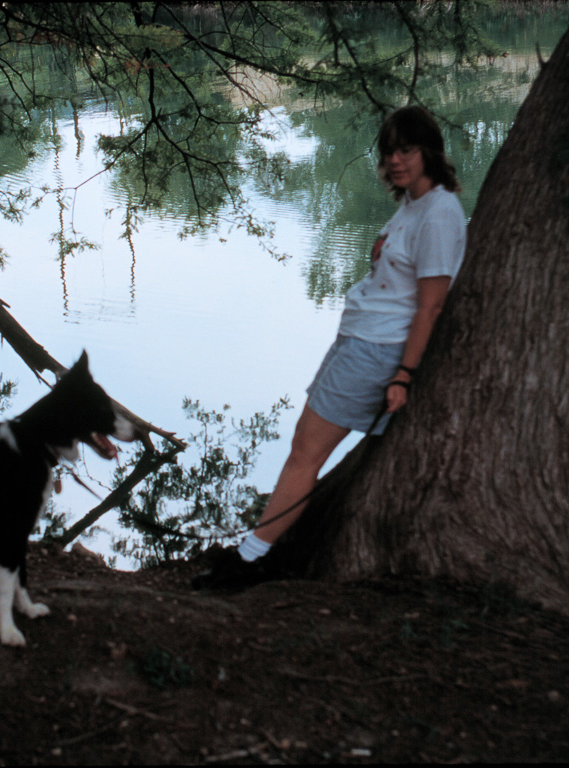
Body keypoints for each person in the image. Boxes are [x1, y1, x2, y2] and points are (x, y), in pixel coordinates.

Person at [193, 105, 466, 590]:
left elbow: (431, 308)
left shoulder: (441, 214)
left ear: (429, 151)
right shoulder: (413, 204)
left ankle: (251, 562)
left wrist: (403, 375)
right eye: (389, 152)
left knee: (305, 453)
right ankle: (265, 550)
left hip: (378, 352)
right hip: (358, 340)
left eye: (406, 149)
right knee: (304, 447)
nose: (396, 160)